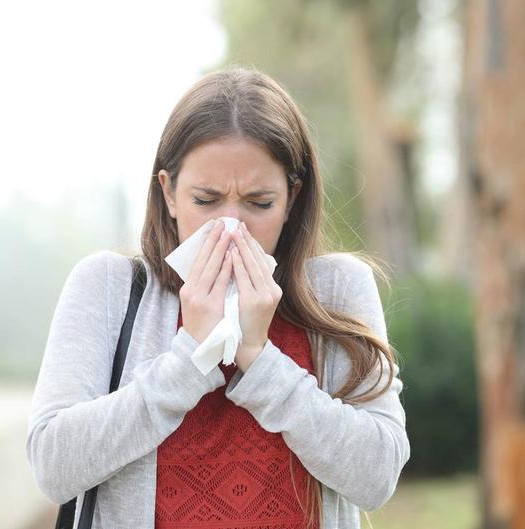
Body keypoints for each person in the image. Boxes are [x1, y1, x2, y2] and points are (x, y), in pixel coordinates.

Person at [26, 66, 410, 529]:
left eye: (259, 203)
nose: (232, 229)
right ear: (168, 193)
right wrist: (189, 359)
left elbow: (377, 477)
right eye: (206, 201)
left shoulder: (338, 288)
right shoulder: (108, 286)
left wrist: (260, 359)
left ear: (292, 197)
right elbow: (52, 465)